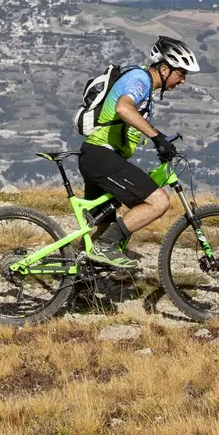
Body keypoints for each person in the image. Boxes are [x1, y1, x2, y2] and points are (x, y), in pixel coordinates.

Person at [78, 35, 198, 268]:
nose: (182, 81)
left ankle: (82, 284)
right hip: (101, 157)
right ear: (164, 69)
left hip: (97, 157)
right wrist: (156, 137)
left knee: (103, 226)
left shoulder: (142, 81)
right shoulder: (140, 79)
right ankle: (105, 247)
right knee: (158, 202)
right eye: (181, 73)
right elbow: (124, 108)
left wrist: (160, 139)